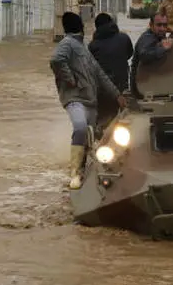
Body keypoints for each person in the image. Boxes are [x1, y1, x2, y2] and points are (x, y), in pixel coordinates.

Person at [49, 11, 125, 190]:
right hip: (75, 98)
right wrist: (70, 80)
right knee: (81, 127)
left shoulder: (83, 47)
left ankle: (84, 171)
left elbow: (100, 75)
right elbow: (56, 60)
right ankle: (75, 172)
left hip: (90, 100)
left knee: (90, 136)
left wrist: (117, 95)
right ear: (81, 28)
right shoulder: (68, 43)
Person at [88, 12, 134, 93]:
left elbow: (90, 67)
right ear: (111, 22)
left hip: (102, 89)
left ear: (96, 27)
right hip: (122, 86)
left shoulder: (92, 45)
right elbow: (129, 54)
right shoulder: (124, 38)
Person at [130, 12, 173, 97]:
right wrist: (163, 49)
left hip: (149, 84)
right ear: (151, 25)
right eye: (159, 25)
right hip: (141, 88)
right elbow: (144, 55)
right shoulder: (147, 38)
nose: (162, 28)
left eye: (165, 25)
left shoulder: (159, 36)